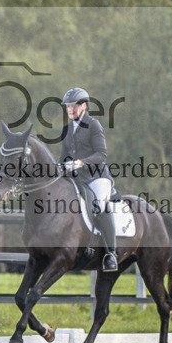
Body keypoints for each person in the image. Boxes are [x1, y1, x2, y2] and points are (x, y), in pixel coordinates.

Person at [58, 87, 118, 272]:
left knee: (99, 206)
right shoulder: (67, 130)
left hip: (97, 177)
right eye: (68, 107)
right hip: (78, 179)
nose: (70, 110)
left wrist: (80, 163)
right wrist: (59, 168)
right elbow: (62, 158)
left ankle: (111, 254)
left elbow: (101, 154)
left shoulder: (94, 125)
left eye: (74, 107)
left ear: (84, 106)